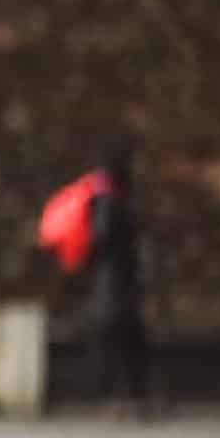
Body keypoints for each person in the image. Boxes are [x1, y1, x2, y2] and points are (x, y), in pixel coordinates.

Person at [86, 136, 155, 413]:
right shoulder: (111, 200)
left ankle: (132, 395)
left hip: (119, 283)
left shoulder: (116, 198)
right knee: (124, 340)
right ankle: (123, 396)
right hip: (116, 284)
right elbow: (103, 239)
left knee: (128, 341)